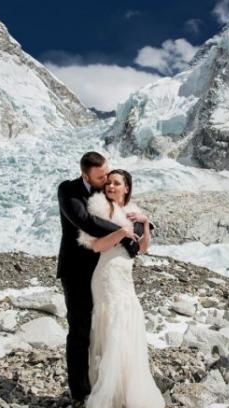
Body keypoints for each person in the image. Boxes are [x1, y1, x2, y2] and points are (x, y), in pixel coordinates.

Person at [57, 152, 141, 407]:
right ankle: (79, 393)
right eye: (101, 176)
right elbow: (86, 222)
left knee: (106, 328)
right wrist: (124, 233)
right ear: (86, 175)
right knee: (80, 330)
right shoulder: (68, 191)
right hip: (77, 271)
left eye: (108, 173)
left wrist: (138, 228)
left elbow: (123, 211)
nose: (106, 180)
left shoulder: (104, 192)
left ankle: (105, 385)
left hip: (104, 273)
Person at [77, 169, 165, 408]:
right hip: (106, 276)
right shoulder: (98, 209)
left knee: (128, 326)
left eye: (117, 183)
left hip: (125, 277)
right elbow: (96, 246)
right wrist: (120, 232)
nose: (111, 187)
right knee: (112, 327)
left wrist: (145, 224)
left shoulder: (133, 212)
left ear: (127, 188)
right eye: (109, 183)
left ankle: (127, 389)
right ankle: (110, 393)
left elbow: (143, 248)